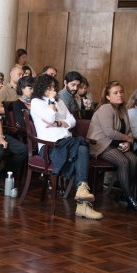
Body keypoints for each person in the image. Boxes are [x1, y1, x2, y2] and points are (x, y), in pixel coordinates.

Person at [30, 74, 102, 219]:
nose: (52, 90)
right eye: (48, 87)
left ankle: (82, 191)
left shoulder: (60, 102)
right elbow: (49, 117)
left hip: (66, 142)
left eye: (53, 87)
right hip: (50, 146)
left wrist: (58, 123)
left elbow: (72, 121)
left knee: (81, 147)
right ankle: (83, 205)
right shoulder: (36, 102)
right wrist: (51, 102)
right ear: (41, 87)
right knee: (81, 147)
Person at [87, 81, 137, 212]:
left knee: (133, 159)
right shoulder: (106, 108)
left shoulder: (123, 109)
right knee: (123, 161)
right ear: (107, 96)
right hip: (100, 144)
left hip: (115, 144)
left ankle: (123, 195)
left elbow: (128, 130)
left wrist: (128, 142)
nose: (120, 95)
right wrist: (128, 138)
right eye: (115, 93)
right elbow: (109, 132)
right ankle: (130, 198)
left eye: (121, 92)